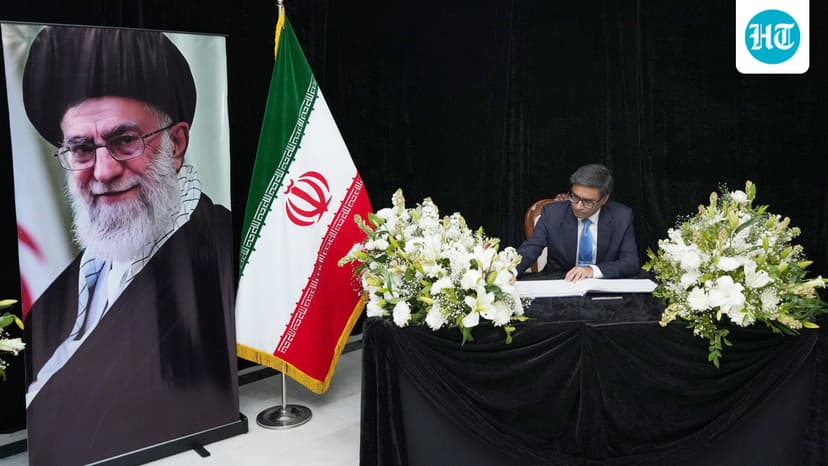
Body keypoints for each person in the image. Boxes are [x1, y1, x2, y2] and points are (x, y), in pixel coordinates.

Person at [19, 26, 238, 466]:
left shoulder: (222, 256)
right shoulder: (64, 291)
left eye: (124, 141)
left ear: (177, 143)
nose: (103, 171)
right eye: (82, 149)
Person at [517, 163, 639, 280]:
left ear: (604, 199)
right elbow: (530, 249)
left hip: (601, 284)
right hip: (559, 281)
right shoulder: (552, 214)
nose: (578, 206)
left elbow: (630, 262)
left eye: (588, 201)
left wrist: (591, 271)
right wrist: (510, 271)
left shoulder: (621, 216)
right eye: (574, 197)